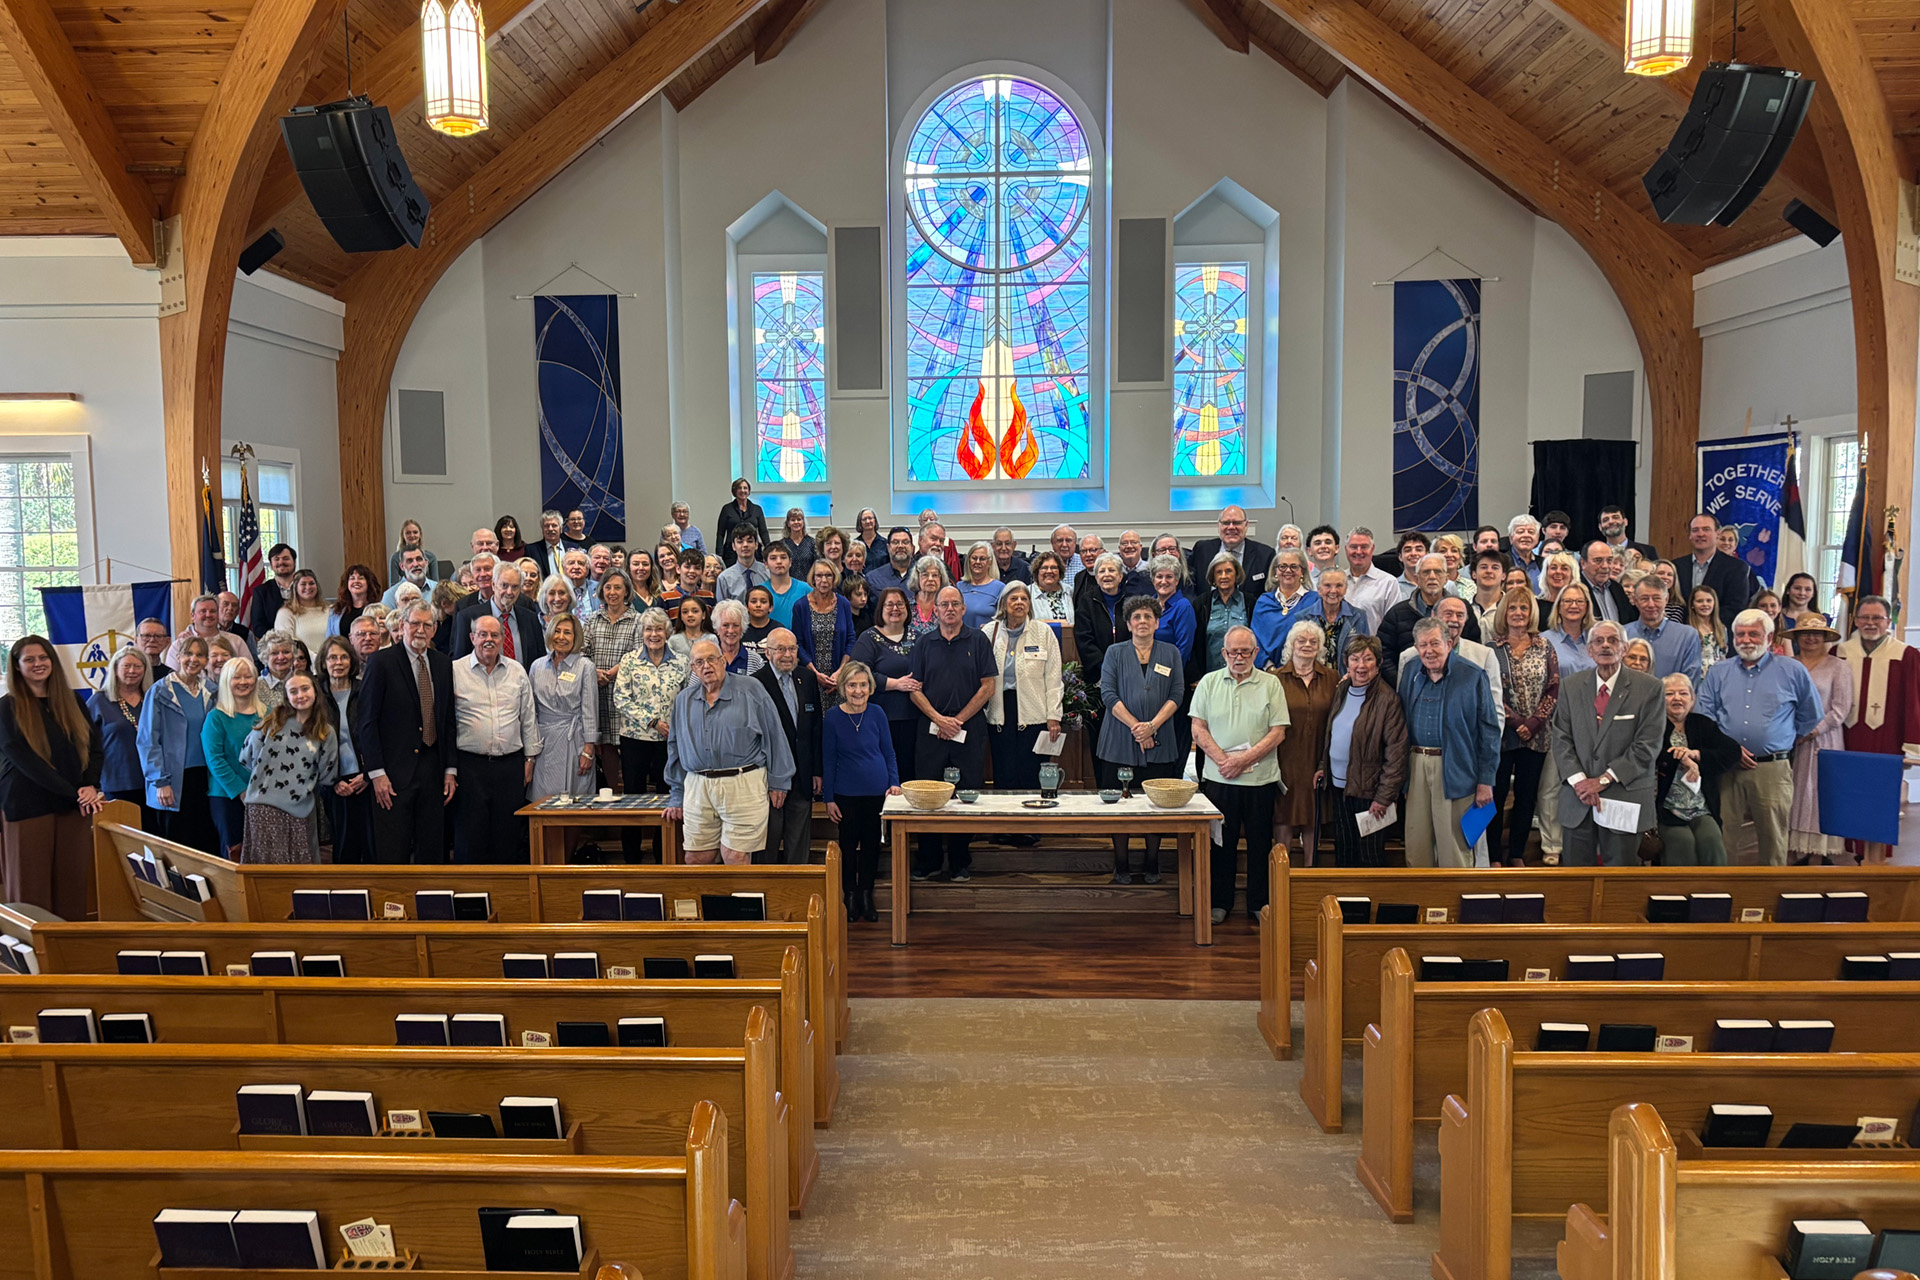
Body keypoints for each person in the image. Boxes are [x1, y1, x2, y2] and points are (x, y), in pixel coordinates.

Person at [1694, 609, 1823, 865]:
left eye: (1754, 634)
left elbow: (1811, 715)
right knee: (1724, 837)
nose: (1746, 640)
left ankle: (1770, 897)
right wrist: (1730, 750)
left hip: (1771, 769)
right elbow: (1704, 718)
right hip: (1727, 768)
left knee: (1773, 840)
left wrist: (1781, 737)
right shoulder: (1719, 672)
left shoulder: (1792, 670)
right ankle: (1723, 897)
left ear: (1770, 637)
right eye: (1740, 634)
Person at [664, 639, 794, 865]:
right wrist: (677, 793)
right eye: (699, 662)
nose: (707, 666)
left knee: (735, 856)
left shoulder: (751, 688)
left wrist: (779, 781)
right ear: (693, 669)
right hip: (697, 785)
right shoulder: (684, 699)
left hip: (743, 781)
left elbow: (774, 734)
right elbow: (675, 748)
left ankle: (740, 902)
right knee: (695, 858)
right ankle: (709, 902)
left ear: (723, 661)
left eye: (712, 659)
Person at [0, 637, 104, 916]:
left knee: (71, 886)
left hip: (74, 806)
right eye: (29, 659)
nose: (38, 664)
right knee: (30, 891)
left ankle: (68, 954)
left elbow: (95, 747)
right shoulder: (7, 708)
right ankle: (32, 954)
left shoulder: (72, 701)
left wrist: (90, 785)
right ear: (17, 666)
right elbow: (26, 762)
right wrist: (76, 792)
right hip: (28, 807)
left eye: (43, 658)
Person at [1191, 624, 1288, 923]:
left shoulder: (1271, 684)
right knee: (1221, 844)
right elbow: (1198, 728)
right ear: (1224, 653)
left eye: (1245, 651)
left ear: (1256, 653)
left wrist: (1243, 760)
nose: (1239, 657)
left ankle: (1259, 904)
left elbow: (1278, 732)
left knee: (1260, 844)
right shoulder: (1208, 683)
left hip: (1260, 780)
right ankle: (1220, 901)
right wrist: (1225, 761)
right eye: (1233, 652)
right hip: (1220, 779)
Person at [1548, 621, 1664, 867]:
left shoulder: (1649, 688)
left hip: (1623, 796)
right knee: (1575, 881)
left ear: (1624, 648)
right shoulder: (1571, 686)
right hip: (1578, 798)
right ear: (1589, 650)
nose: (1605, 646)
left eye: (1612, 640)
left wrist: (1602, 781)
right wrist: (1580, 781)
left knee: (1619, 885)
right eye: (1598, 641)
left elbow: (1647, 745)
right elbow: (1561, 737)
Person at [907, 587, 997, 881]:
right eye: (943, 604)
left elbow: (988, 687)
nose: (948, 609)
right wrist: (938, 719)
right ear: (935, 609)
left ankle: (960, 860)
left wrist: (956, 721)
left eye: (954, 604)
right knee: (928, 793)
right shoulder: (924, 643)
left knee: (967, 793)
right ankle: (930, 859)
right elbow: (914, 689)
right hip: (929, 729)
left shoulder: (979, 640)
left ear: (962, 609)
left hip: (968, 729)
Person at [1095, 594, 1186, 884]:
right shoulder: (1115, 653)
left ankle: (1152, 861)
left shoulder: (1170, 652)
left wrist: (1152, 727)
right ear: (1128, 623)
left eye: (1148, 617)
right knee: (1120, 808)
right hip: (1119, 740)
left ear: (1157, 622)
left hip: (1160, 742)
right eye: (1137, 617)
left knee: (1154, 805)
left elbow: (1177, 694)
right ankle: (1121, 863)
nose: (1143, 621)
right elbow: (1108, 694)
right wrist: (1138, 728)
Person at [1395, 617, 1499, 868]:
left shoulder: (1472, 675)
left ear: (1449, 643)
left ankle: (1453, 904)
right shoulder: (1410, 670)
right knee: (1416, 846)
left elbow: (1489, 731)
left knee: (1454, 848)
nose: (1429, 651)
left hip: (1456, 768)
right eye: (1422, 645)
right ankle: (1424, 904)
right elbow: (1400, 720)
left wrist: (1486, 781)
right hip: (1416, 764)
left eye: (1435, 643)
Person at [357, 603, 456, 864]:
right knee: (393, 851)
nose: (420, 630)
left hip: (433, 769)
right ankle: (394, 904)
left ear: (435, 629)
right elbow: (366, 722)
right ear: (402, 627)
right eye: (414, 624)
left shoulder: (443, 663)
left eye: (426, 625)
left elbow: (447, 720)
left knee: (433, 850)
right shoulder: (381, 662)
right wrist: (376, 774)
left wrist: (450, 770)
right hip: (392, 774)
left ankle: (432, 904)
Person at [449, 613, 540, 864]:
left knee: (508, 837)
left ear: (502, 639)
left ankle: (507, 898)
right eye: (483, 634)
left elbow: (528, 717)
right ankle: (471, 896)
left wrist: (530, 760)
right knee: (470, 837)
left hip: (510, 766)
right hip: (470, 766)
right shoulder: (454, 671)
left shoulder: (516, 671)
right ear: (471, 638)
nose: (489, 639)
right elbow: (445, 722)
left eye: (495, 635)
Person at [1316, 634, 1408, 868]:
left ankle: (1371, 903)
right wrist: (1322, 767)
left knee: (1369, 855)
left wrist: (1384, 797)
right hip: (1339, 787)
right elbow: (1332, 732)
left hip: (1370, 793)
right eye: (1355, 659)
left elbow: (1396, 755)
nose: (1361, 665)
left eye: (1368, 659)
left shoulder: (1388, 700)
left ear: (1377, 664)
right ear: (1347, 662)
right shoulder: (1343, 689)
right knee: (1344, 850)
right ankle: (1346, 904)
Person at [822, 661, 899, 923]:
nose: (858, 690)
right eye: (852, 685)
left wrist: (894, 782)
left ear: (870, 687)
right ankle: (850, 895)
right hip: (846, 794)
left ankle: (867, 895)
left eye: (863, 685)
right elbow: (829, 760)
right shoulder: (832, 717)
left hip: (877, 792)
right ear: (843, 687)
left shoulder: (877, 713)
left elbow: (888, 752)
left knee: (871, 846)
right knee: (847, 845)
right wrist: (829, 798)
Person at [237, 671, 337, 865]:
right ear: (287, 697)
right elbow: (247, 756)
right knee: (268, 872)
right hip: (263, 807)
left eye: (305, 689)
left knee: (300, 870)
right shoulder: (271, 722)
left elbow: (328, 776)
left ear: (315, 691)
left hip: (300, 808)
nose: (300, 695)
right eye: (294, 691)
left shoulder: (325, 731)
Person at [1490, 588, 1558, 866]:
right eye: (1513, 608)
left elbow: (1553, 688)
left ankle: (1516, 853)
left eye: (1524, 608)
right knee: (1495, 795)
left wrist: (1533, 723)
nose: (1518, 614)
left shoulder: (1545, 646)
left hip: (1537, 736)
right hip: (1502, 736)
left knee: (1526, 797)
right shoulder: (1492, 648)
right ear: (1504, 613)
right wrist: (1517, 722)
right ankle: (1493, 854)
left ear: (1532, 613)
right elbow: (1490, 692)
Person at [982, 583, 1064, 796]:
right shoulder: (990, 631)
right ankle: (1006, 826)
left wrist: (1054, 716)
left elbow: (1054, 677)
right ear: (1004, 604)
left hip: (1034, 713)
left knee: (1032, 773)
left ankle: (1033, 826)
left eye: (1024, 599)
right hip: (1000, 712)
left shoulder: (1042, 631)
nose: (1019, 603)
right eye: (1013, 599)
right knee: (1004, 772)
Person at [1783, 614, 1851, 864]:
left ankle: (1821, 853)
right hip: (1791, 742)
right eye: (1805, 633)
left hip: (1825, 741)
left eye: (1816, 634)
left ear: (1825, 638)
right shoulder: (1788, 664)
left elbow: (1841, 709)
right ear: (1797, 637)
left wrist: (1812, 731)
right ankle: (1797, 849)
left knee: (1819, 792)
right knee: (1796, 792)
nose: (1811, 638)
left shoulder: (1838, 666)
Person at [1652, 673, 1738, 865]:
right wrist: (1683, 758)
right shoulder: (1654, 725)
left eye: (1683, 693)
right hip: (1667, 809)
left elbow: (1732, 751)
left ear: (1692, 699)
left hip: (1700, 807)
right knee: (1682, 843)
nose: (1677, 698)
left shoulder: (1703, 724)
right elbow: (1654, 754)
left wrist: (1697, 755)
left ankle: (1714, 893)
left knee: (1712, 840)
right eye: (1670, 694)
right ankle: (1679, 893)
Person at [752, 629, 821, 865]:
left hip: (802, 777)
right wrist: (772, 779)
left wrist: (816, 770)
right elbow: (755, 739)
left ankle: (798, 898)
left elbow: (814, 728)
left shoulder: (807, 678)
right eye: (780, 649)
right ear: (768, 652)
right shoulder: (755, 684)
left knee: (799, 846)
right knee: (767, 845)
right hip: (768, 781)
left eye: (792, 649)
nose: (787, 655)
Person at [1273, 621, 1336, 867]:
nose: (1307, 645)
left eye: (1313, 641)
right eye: (1302, 641)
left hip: (1318, 756)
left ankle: (1311, 873)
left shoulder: (1332, 678)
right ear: (1291, 645)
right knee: (1283, 815)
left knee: (1313, 814)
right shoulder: (1275, 678)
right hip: (1285, 756)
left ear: (1320, 647)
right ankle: (1280, 874)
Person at [848, 588, 923, 791]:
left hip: (915, 718)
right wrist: (895, 684)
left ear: (907, 609)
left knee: (910, 774)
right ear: (881, 609)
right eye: (889, 604)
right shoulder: (869, 638)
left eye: (900, 604)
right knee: (883, 774)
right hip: (880, 718)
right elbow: (858, 673)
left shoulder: (919, 638)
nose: (895, 609)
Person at [523, 613, 599, 811]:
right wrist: (530, 753)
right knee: (543, 802)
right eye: (557, 631)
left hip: (574, 742)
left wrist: (589, 750)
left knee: (574, 803)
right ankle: (547, 844)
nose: (561, 637)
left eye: (568, 632)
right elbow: (530, 712)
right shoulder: (537, 666)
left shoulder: (586, 667)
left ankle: (570, 844)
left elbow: (590, 711)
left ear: (576, 638)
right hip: (543, 744)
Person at [611, 609, 683, 809]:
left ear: (667, 633)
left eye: (659, 629)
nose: (654, 635)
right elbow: (621, 699)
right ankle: (631, 842)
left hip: (669, 740)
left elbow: (687, 701)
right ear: (642, 633)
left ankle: (663, 842)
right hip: (635, 739)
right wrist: (653, 723)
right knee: (632, 796)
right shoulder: (629, 661)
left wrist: (672, 726)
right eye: (648, 629)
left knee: (667, 794)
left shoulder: (682, 662)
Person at [314, 637, 374, 863]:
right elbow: (310, 742)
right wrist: (332, 780)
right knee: (343, 845)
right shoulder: (315, 694)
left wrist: (368, 774)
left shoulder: (365, 689)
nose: (338, 662)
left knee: (371, 844)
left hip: (366, 778)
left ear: (352, 661)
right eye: (332, 657)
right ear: (324, 662)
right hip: (333, 781)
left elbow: (377, 735)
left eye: (343, 657)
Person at [1379, 554, 1478, 684]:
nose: (1432, 576)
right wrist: (1402, 682)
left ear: (1446, 578)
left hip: (1458, 684)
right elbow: (1384, 655)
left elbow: (1473, 647)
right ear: (1416, 578)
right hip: (1411, 689)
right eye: (1426, 572)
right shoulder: (1397, 614)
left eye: (1437, 572)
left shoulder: (1462, 609)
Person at [583, 569, 641, 789]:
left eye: (618, 587)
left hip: (627, 693)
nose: (612, 592)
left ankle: (629, 794)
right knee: (605, 744)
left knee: (626, 744)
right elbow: (582, 652)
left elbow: (637, 652)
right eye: (608, 587)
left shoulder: (637, 620)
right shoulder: (591, 619)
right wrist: (595, 672)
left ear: (627, 590)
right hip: (597, 692)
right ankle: (614, 794)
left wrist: (611, 673)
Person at [203, 656, 263, 858]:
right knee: (235, 855)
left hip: (264, 795)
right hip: (227, 796)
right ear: (226, 681)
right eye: (237, 677)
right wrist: (241, 791)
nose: (244, 682)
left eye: (248, 676)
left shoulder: (268, 715)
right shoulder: (216, 718)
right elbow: (215, 760)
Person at [91, 646, 155, 827]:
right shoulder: (99, 701)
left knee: (152, 840)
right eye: (127, 666)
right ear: (115, 669)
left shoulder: (153, 699)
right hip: (116, 783)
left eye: (138, 666)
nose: (132, 671)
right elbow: (85, 743)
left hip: (151, 783)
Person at [793, 558, 854, 703]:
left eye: (828, 575)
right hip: (811, 676)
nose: (824, 580)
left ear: (834, 578)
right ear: (813, 578)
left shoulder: (844, 603)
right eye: (819, 576)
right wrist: (815, 673)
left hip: (838, 678)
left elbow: (851, 639)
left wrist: (840, 672)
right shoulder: (800, 606)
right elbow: (797, 643)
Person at [1186, 505, 1275, 604]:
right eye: (1226, 523)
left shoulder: (1265, 555)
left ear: (1246, 525)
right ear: (1219, 526)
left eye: (1237, 523)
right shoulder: (1202, 550)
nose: (1231, 527)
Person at [1251, 548, 1320, 668]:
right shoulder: (1264, 601)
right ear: (1275, 571)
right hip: (1267, 673)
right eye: (1282, 566)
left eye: (1294, 566)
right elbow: (1254, 639)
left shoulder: (1314, 601)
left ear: (1302, 571)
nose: (1288, 570)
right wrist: (1269, 668)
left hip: (1304, 672)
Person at [1674, 513, 1753, 617]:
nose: (1700, 534)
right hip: (1681, 630)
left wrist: (1705, 627)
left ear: (1718, 534)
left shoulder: (1736, 568)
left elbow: (1735, 607)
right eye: (1695, 530)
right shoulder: (1676, 566)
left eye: (1706, 529)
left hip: (1718, 630)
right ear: (1690, 535)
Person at [1193, 554, 1249, 686]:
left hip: (1243, 677)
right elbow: (1194, 643)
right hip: (1210, 678)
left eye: (1228, 571)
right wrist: (1196, 677)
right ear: (1213, 577)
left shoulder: (1249, 602)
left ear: (1236, 575)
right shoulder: (1201, 603)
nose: (1224, 576)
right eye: (1219, 572)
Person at [1073, 553, 1128, 687]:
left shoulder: (1131, 600)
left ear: (1120, 576)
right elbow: (1084, 638)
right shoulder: (1086, 601)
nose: (1106, 574)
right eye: (1102, 571)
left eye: (1112, 570)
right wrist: (1105, 665)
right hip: (1097, 674)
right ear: (1097, 577)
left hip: (1129, 670)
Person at [1307, 567, 1371, 666]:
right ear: (1319, 590)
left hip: (1348, 678)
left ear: (1345, 589)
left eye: (1339, 586)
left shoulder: (1359, 617)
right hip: (1314, 679)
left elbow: (1365, 654)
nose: (1333, 591)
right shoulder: (1304, 618)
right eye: (1327, 585)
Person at [1342, 527, 1400, 632]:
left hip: (1374, 647)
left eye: (1364, 547)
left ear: (1372, 549)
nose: (1359, 552)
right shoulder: (1338, 581)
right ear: (1346, 549)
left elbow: (1393, 625)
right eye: (1354, 547)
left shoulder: (1388, 583)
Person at [1149, 553, 1196, 667]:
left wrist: (1166, 674)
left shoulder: (1183, 607)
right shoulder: (1148, 604)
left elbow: (1184, 649)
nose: (1164, 581)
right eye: (1159, 576)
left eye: (1169, 577)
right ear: (1153, 579)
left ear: (1177, 580)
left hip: (1171, 672)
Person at [714, 478, 770, 567]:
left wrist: (768, 550)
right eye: (739, 488)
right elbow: (720, 533)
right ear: (734, 491)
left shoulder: (757, 509)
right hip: (731, 553)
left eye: (745, 488)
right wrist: (719, 555)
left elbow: (763, 532)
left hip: (753, 551)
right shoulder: (727, 509)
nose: (742, 490)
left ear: (749, 491)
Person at [247, 543, 298, 636]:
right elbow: (258, 626)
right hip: (274, 645)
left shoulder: (305, 588)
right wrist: (279, 641)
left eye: (286, 558)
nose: (281, 562)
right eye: (276, 559)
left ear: (294, 562)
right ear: (271, 564)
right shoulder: (261, 592)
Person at [716, 526, 771, 604]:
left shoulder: (768, 573)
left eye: (749, 541)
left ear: (756, 545)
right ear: (734, 546)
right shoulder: (724, 578)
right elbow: (722, 610)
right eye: (740, 541)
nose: (745, 545)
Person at [958, 543, 1006, 630]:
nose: (977, 562)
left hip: (986, 640)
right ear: (968, 561)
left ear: (990, 562)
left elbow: (1005, 620)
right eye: (974, 558)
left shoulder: (1000, 588)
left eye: (982, 559)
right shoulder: (959, 587)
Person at [711, 599, 764, 676]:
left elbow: (760, 688)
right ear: (717, 628)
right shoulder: (706, 659)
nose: (731, 630)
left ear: (742, 628)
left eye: (735, 625)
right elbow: (694, 688)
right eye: (725, 625)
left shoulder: (755, 660)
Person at [761, 543, 806, 629]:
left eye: (783, 557)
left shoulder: (806, 590)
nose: (779, 561)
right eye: (773, 558)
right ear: (765, 564)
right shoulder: (760, 592)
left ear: (790, 562)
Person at [1028, 551, 1074, 627]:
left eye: (1054, 568)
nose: (1049, 571)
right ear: (1037, 572)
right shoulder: (1028, 593)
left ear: (1060, 571)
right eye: (1044, 568)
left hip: (1068, 637)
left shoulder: (1069, 591)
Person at [866, 527, 916, 595]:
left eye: (905, 542)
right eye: (895, 542)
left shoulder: (922, 576)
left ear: (913, 548)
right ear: (888, 547)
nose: (900, 546)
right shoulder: (873, 578)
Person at [670, 593, 715, 661]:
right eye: (685, 612)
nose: (690, 615)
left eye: (695, 611)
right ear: (681, 617)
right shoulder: (673, 640)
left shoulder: (711, 639)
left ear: (703, 615)